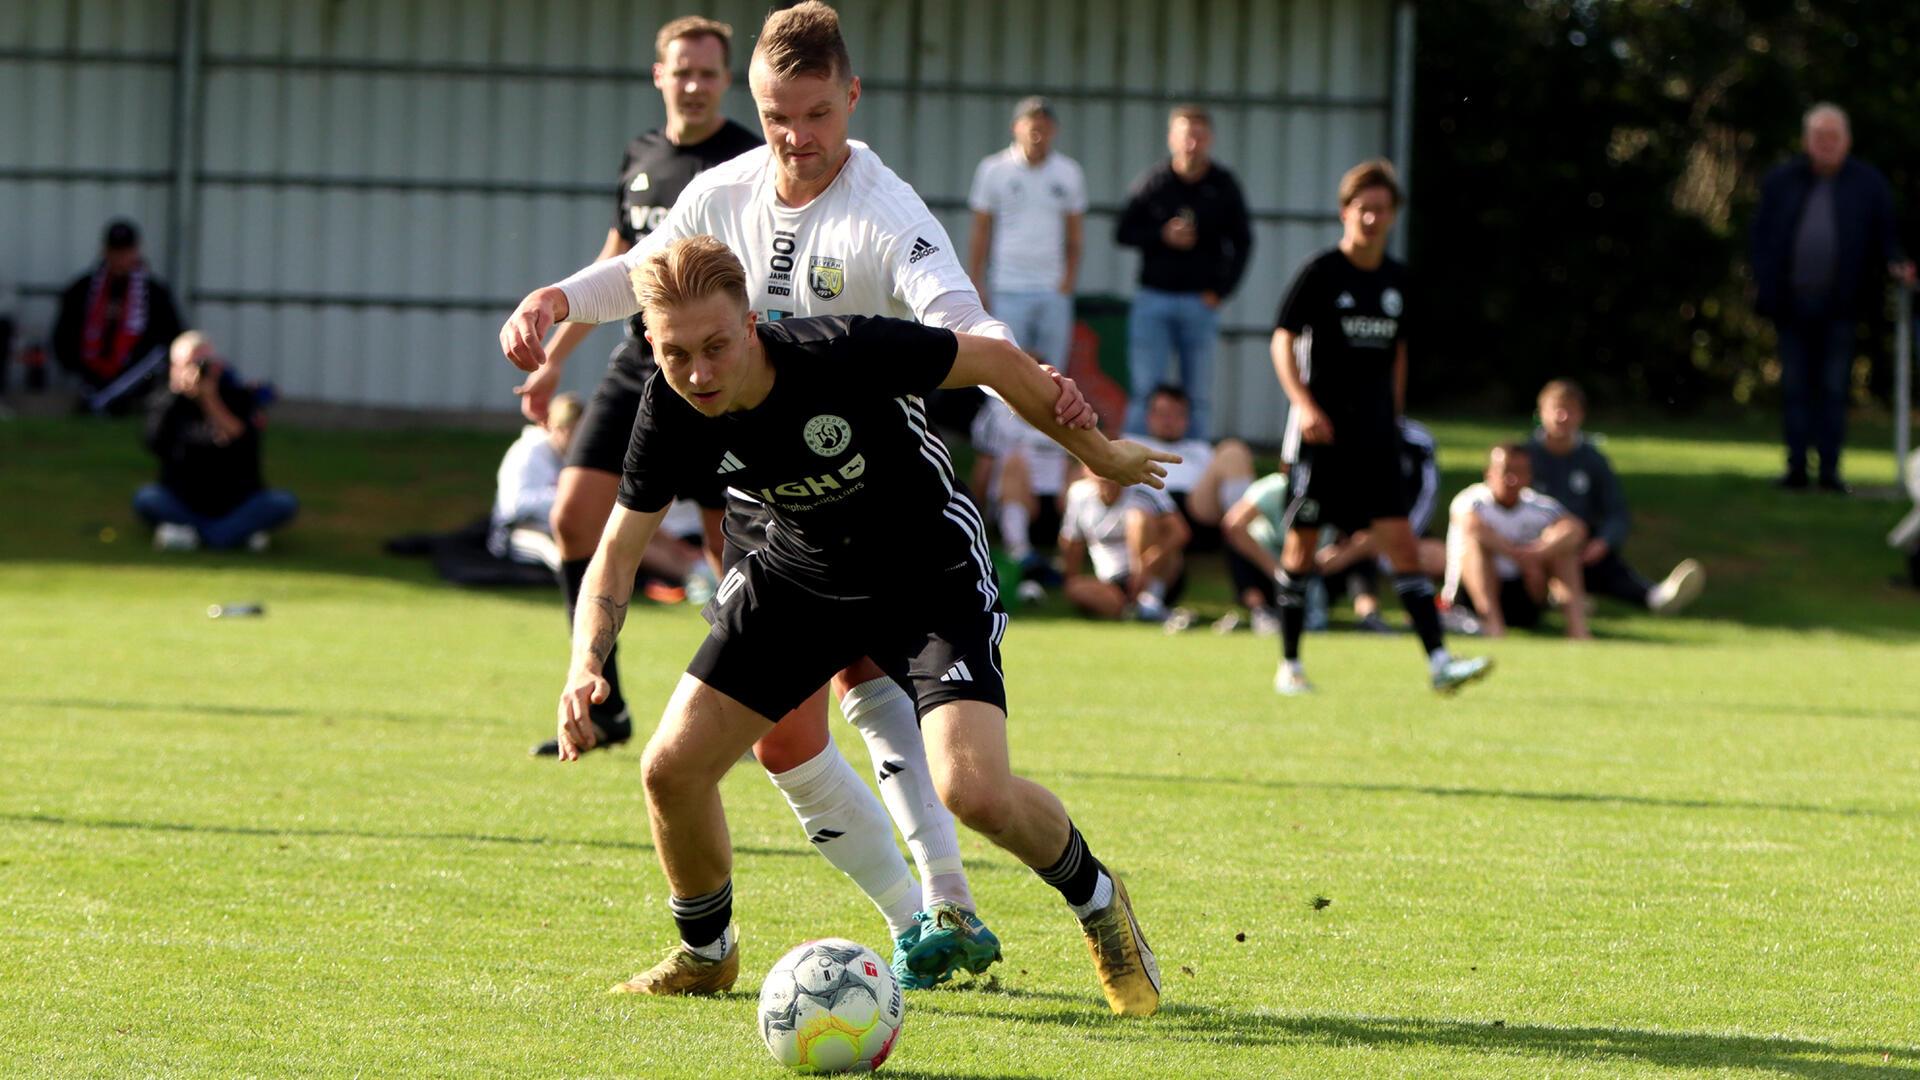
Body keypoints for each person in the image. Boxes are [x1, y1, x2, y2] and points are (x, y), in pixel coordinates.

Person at [499, 2, 1096, 991]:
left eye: (816, 115)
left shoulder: (882, 209)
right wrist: (560, 298)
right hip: (774, 509)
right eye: (778, 115)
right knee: (782, 735)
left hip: (882, 486)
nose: (796, 138)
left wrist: (1048, 399)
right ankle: (915, 923)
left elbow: (958, 320)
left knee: (877, 688)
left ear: (851, 100)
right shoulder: (723, 192)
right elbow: (645, 275)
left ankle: (948, 897)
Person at [556, 236, 1169, 1016]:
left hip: (927, 575)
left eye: (715, 347)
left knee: (973, 791)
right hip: (799, 580)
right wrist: (585, 664)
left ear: (749, 324)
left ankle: (1098, 902)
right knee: (670, 770)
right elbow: (616, 551)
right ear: (651, 342)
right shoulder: (668, 407)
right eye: (678, 354)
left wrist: (1100, 454)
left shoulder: (846, 349)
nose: (700, 373)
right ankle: (707, 953)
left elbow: (996, 363)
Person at [506, 16, 756, 757]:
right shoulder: (641, 157)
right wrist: (554, 355)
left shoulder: (745, 158)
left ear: (726, 81)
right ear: (660, 75)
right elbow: (621, 259)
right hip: (638, 365)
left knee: (728, 551)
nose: (694, 84)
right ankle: (602, 700)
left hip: (716, 372)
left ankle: (746, 708)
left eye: (709, 73)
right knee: (573, 519)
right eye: (682, 71)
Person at [1270, 159, 1490, 696]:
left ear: (1393, 217)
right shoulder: (1321, 273)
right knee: (1299, 549)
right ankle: (1290, 665)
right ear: (1345, 212)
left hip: (1374, 439)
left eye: (1381, 210)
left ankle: (1440, 661)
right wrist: (1302, 403)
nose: (1371, 218)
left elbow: (1398, 354)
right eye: (1362, 208)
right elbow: (1281, 339)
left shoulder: (1397, 282)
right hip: (1322, 440)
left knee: (1404, 548)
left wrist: (1393, 416)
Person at [1750, 103, 1916, 493]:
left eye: (1833, 137)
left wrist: (1897, 264)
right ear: (1807, 141)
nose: (1825, 144)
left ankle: (1829, 471)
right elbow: (1760, 239)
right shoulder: (1781, 181)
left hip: (1842, 307)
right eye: (1818, 137)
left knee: (1832, 388)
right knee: (1794, 388)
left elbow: (1885, 238)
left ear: (1847, 141)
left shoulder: (1868, 183)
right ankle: (1795, 469)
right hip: (1791, 305)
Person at [1115, 105, 1252, 439]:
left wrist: (1221, 291)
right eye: (1185, 134)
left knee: (1198, 394)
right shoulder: (1155, 182)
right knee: (1146, 390)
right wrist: (1161, 234)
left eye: (1199, 135)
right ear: (1172, 138)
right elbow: (1123, 232)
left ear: (1210, 139)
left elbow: (1244, 242)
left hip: (1200, 302)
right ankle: (1134, 469)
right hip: (1153, 299)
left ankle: (1195, 471)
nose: (1192, 142)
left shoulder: (1223, 186)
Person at [1526, 379, 1704, 616]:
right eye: (1556, 409)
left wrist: (1604, 542)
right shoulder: (1524, 456)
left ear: (1581, 415)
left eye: (1570, 410)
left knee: (1605, 564)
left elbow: (1616, 511)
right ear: (1541, 413)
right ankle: (1561, 596)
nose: (1562, 416)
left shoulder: (1593, 459)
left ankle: (1655, 598)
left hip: (1584, 549)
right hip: (1534, 548)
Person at [134, 332, 296, 551]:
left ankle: (196, 535)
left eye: (206, 363)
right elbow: (154, 443)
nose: (201, 370)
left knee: (282, 503)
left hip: (236, 500)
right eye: (192, 364)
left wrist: (210, 399)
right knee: (147, 498)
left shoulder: (237, 396)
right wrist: (177, 394)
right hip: (184, 499)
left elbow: (243, 441)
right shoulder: (167, 401)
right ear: (175, 367)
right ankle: (230, 535)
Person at [966, 95, 1086, 370]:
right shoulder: (993, 169)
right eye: (1031, 128)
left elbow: (1075, 234)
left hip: (1052, 289)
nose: (1037, 135)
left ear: (1053, 131)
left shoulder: (1068, 172)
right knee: (1008, 371)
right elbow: (981, 230)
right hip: (1008, 287)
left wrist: (1067, 282)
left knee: (1055, 375)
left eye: (1043, 129)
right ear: (1015, 128)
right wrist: (977, 281)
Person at [1127, 383, 1256, 629]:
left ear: (1186, 420)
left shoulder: (1201, 450)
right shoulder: (1130, 443)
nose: (1169, 421)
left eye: (1176, 415)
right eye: (1162, 414)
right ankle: (1150, 599)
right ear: (1149, 417)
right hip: (1149, 512)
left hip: (1197, 511)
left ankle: (1242, 540)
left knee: (1233, 451)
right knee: (1142, 511)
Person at [1444, 444, 1590, 639]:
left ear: (1529, 476)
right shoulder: (1472, 500)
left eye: (1520, 472)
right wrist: (1519, 555)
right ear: (1489, 473)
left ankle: (1578, 630)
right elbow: (1472, 526)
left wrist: (1540, 552)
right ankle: (1494, 627)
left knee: (1563, 552)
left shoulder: (1540, 505)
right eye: (1506, 471)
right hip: (1474, 597)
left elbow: (1575, 529)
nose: (1512, 480)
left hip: (1526, 591)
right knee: (1475, 547)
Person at [53, 219, 185, 414]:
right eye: (115, 251)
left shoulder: (154, 292)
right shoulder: (82, 289)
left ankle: (103, 400)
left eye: (126, 251)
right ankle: (101, 398)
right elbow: (64, 335)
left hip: (138, 373)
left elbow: (170, 338)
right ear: (105, 251)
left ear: (136, 251)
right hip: (90, 372)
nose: (120, 258)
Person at [969, 396, 1070, 593]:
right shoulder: (996, 411)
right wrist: (975, 523)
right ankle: (1020, 554)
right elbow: (984, 467)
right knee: (1013, 463)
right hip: (1014, 503)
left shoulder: (1065, 403)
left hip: (1058, 505)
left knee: (1082, 475)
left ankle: (1067, 560)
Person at [1058, 473, 1189, 622]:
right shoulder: (1078, 493)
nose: (1103, 471)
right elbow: (1071, 541)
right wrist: (1070, 579)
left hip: (1155, 572)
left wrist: (1144, 566)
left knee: (1137, 518)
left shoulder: (1145, 488)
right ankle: (1135, 611)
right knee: (1075, 589)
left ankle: (1151, 597)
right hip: (1112, 581)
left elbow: (1179, 532)